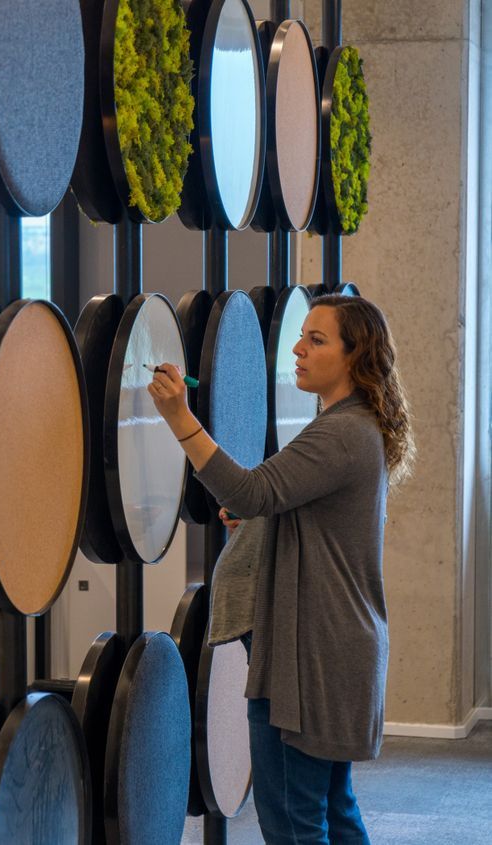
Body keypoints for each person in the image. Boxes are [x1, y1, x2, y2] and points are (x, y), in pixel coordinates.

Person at [147, 294, 415, 845]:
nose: (297, 348)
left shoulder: (341, 432)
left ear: (354, 354)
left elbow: (249, 488)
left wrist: (179, 416)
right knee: (332, 811)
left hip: (310, 655)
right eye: (302, 336)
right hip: (333, 648)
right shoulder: (352, 425)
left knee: (293, 822)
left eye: (317, 340)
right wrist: (264, 525)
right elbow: (285, 509)